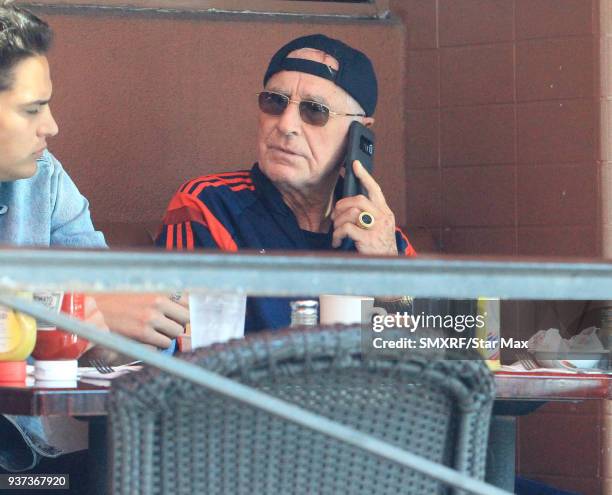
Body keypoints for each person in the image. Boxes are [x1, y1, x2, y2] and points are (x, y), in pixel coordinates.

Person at [0, 1, 187, 472]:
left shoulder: (43, 177)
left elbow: (107, 291)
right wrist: (81, 310)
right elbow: (93, 302)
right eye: (32, 109)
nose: (52, 125)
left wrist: (115, 332)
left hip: (28, 454)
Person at [157, 34, 416, 332]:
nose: (286, 125)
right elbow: (185, 351)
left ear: (360, 135)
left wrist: (390, 278)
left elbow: (451, 355)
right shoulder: (211, 205)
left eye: (315, 111)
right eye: (275, 102)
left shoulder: (377, 232)